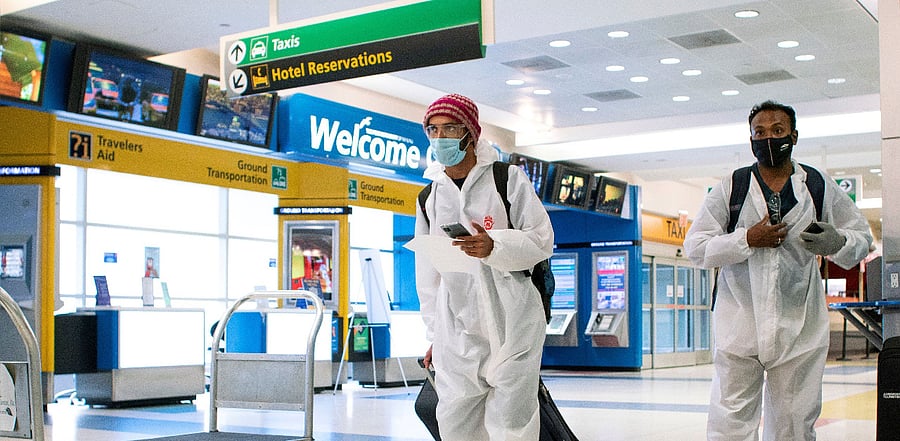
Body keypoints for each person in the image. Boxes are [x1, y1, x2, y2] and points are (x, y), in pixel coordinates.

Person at [683, 100, 873, 441]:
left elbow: (862, 239)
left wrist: (836, 241)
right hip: (739, 325)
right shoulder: (733, 186)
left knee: (795, 425)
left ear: (794, 136)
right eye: (760, 132)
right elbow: (695, 248)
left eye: (777, 131)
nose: (768, 138)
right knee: (731, 426)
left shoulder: (817, 184)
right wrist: (746, 239)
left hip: (799, 326)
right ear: (751, 139)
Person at [414, 94, 554, 441]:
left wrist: (496, 246)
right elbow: (427, 274)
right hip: (457, 325)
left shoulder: (507, 179)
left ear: (470, 132)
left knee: (511, 422)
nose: (440, 137)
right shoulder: (430, 196)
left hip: (513, 318)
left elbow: (541, 239)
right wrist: (435, 333)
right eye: (433, 129)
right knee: (456, 418)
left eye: (450, 128)